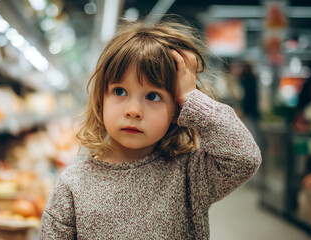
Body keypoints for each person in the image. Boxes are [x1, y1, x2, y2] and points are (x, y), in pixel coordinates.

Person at [39, 18, 262, 240]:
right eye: (119, 92)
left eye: (153, 96)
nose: (134, 110)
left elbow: (244, 157)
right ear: (101, 100)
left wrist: (190, 97)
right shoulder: (73, 184)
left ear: (176, 110)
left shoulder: (189, 174)